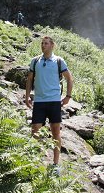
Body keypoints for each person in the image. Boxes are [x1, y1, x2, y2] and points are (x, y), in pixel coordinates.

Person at [25, 36, 74, 175]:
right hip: (39, 100)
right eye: (42, 43)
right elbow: (29, 79)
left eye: (46, 43)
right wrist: (27, 96)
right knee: (35, 130)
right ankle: (34, 161)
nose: (43, 45)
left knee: (55, 132)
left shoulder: (58, 61)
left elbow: (69, 78)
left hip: (54, 101)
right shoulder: (35, 61)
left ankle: (55, 164)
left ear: (52, 45)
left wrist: (68, 96)